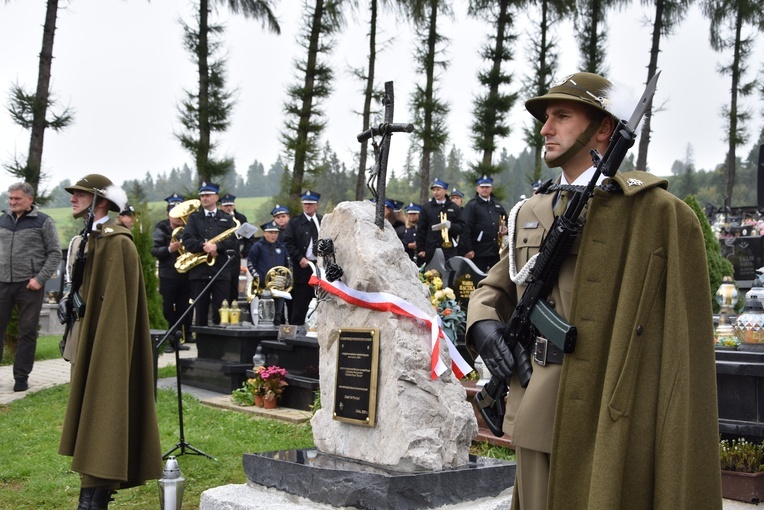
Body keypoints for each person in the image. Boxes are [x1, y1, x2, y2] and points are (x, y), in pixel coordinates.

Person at [466, 72, 722, 509]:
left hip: (609, 414)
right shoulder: (532, 209)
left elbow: (683, 344)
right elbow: (496, 286)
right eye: (546, 118)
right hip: (535, 400)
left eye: (561, 116)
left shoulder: (655, 215)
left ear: (603, 127)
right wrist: (485, 327)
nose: (545, 129)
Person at [58, 173, 162, 509]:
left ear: (100, 200)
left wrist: (108, 353)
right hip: (90, 341)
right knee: (93, 412)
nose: (73, 198)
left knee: (105, 409)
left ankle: (95, 496)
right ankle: (91, 493)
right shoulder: (92, 239)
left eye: (80, 194)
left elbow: (117, 312)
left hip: (108, 347)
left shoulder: (118, 243)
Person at [0, 182, 61, 392]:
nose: (13, 202)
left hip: (29, 286)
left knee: (27, 332)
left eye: (17, 198)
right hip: (2, 284)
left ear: (30, 200)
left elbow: (54, 253)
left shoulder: (43, 222)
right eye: (11, 198)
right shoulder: (2, 221)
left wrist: (40, 278)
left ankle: (21, 377)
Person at [181, 182, 239, 326]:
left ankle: (221, 346)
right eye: (202, 196)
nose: (204, 198)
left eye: (208, 195)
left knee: (222, 312)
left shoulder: (227, 218)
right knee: (200, 313)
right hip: (199, 272)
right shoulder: (194, 218)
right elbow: (187, 240)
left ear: (216, 197)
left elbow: (233, 242)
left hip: (220, 271)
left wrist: (217, 247)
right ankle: (202, 347)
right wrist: (203, 246)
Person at [151, 193, 191, 351]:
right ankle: (166, 340)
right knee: (167, 308)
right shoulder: (161, 227)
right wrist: (169, 249)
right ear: (168, 214)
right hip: (168, 274)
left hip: (186, 274)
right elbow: (154, 250)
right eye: (175, 214)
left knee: (183, 308)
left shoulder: (188, 228)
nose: (178, 218)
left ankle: (178, 339)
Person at [283, 190, 322, 325]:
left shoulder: (323, 220)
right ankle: (296, 331)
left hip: (319, 268)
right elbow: (287, 242)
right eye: (305, 204)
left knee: (320, 301)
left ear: (316, 205)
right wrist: (300, 258)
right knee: (300, 303)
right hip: (302, 268)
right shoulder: (295, 222)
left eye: (310, 204)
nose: (307, 206)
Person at [247, 220, 292, 325]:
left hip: (278, 287)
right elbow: (250, 264)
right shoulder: (257, 246)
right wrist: (259, 278)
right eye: (270, 232)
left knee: (278, 314)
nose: (273, 235)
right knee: (262, 313)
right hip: (262, 287)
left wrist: (287, 280)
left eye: (275, 233)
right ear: (264, 233)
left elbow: (288, 265)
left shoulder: (281, 247)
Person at [459, 176, 508, 272]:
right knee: (478, 279)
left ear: (491, 188)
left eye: (487, 187)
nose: (484, 189)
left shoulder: (497, 205)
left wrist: (507, 229)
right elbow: (465, 228)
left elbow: (508, 221)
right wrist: (468, 249)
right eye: (482, 187)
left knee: (496, 278)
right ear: (477, 189)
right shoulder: (472, 205)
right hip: (478, 251)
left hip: (495, 251)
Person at [416, 178, 465, 264]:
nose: (435, 192)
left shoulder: (454, 207)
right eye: (434, 190)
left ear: (445, 191)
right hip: (431, 249)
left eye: (438, 190)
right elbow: (421, 229)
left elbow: (462, 227)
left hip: (449, 250)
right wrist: (420, 248)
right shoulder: (426, 207)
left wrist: (451, 226)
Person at [220, 193, 251, 303]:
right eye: (226, 206)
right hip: (220, 255)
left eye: (230, 205)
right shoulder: (218, 218)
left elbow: (249, 238)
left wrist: (243, 253)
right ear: (221, 207)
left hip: (236, 256)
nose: (228, 208)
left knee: (234, 284)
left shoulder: (241, 218)